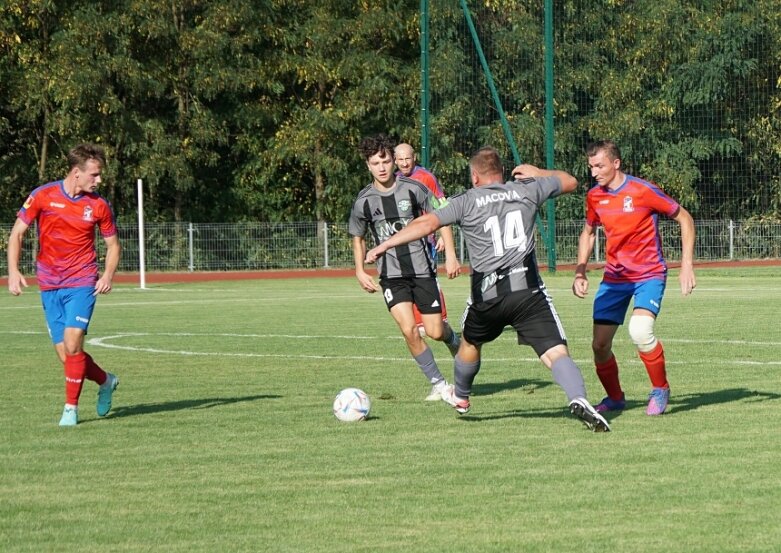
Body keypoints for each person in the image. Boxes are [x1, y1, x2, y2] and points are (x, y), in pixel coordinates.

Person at [366, 146, 610, 432]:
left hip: (487, 298)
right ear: (503, 172)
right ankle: (578, 397)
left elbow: (426, 222)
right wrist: (537, 172)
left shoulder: (466, 200)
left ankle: (461, 396)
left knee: (470, 343)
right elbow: (571, 181)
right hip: (528, 293)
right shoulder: (527, 189)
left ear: (474, 176)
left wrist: (386, 243)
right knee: (556, 353)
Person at [572, 140, 696, 416]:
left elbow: (685, 219)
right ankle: (615, 398)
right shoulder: (594, 196)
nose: (594, 172)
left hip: (648, 274)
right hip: (614, 278)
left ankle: (660, 388)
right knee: (599, 345)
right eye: (591, 167)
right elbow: (588, 233)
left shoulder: (643, 191)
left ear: (616, 164)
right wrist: (580, 270)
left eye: (600, 166)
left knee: (640, 331)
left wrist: (686, 264)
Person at [7, 143, 122, 427]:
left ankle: (70, 409)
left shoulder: (98, 205)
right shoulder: (43, 196)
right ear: (76, 173)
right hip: (49, 283)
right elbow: (17, 233)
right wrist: (12, 270)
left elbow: (113, 244)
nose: (99, 180)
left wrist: (107, 274)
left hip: (82, 281)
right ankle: (106, 381)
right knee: (67, 356)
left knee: (73, 344)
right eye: (94, 175)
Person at [350, 134, 462, 402]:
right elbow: (358, 236)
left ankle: (453, 340)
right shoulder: (363, 200)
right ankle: (438, 383)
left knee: (435, 331)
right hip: (391, 276)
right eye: (376, 162)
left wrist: (452, 255)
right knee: (409, 330)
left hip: (422, 270)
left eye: (386, 161)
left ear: (393, 162)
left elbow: (442, 217)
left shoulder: (414, 188)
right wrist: (359, 270)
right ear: (368, 165)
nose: (382, 167)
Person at [393, 142, 452, 336]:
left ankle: (440, 317)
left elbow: (441, 206)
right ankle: (419, 320)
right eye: (400, 159)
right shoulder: (394, 180)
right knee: (407, 279)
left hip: (426, 240)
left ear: (414, 157)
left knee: (428, 278)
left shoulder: (426, 177)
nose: (404, 163)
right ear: (395, 160)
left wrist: (442, 235)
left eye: (407, 158)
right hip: (404, 242)